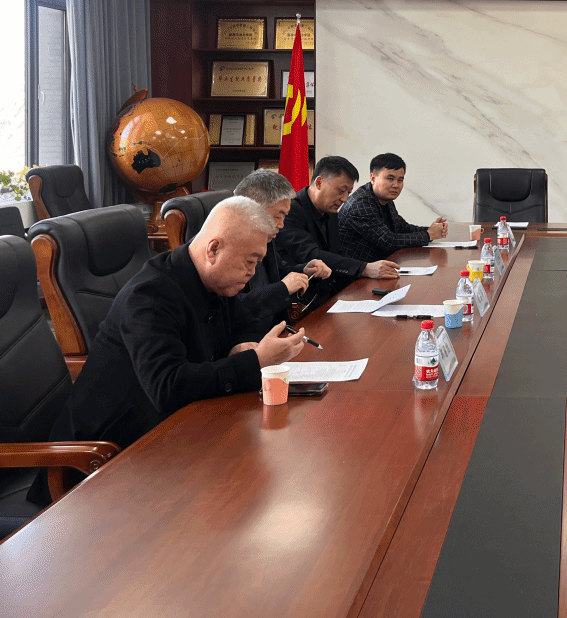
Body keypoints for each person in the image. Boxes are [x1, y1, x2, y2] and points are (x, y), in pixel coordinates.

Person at [48, 197, 309, 451]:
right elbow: (168, 387)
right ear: (213, 250)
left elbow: (245, 323)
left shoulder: (217, 282)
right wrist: (256, 361)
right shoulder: (150, 296)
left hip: (174, 430)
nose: (252, 273)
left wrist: (243, 345)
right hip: (106, 453)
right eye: (249, 262)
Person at [276, 156, 400, 290]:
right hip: (304, 294)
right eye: (341, 191)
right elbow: (311, 255)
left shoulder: (330, 210)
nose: (345, 199)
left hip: (332, 289)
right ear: (319, 183)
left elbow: (338, 253)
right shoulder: (290, 211)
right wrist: (364, 268)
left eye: (348, 192)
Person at [233, 169, 332, 329]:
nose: (281, 225)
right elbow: (233, 307)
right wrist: (282, 288)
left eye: (284, 216)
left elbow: (279, 272)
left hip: (277, 328)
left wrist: (305, 271)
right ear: (252, 210)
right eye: (277, 216)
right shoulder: (227, 248)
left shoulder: (265, 235)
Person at [338, 153, 448, 263]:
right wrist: (428, 235)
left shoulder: (385, 198)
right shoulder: (361, 203)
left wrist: (432, 229)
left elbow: (401, 227)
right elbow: (388, 241)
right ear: (373, 178)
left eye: (400, 180)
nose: (396, 185)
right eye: (390, 179)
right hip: (356, 271)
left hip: (381, 266)